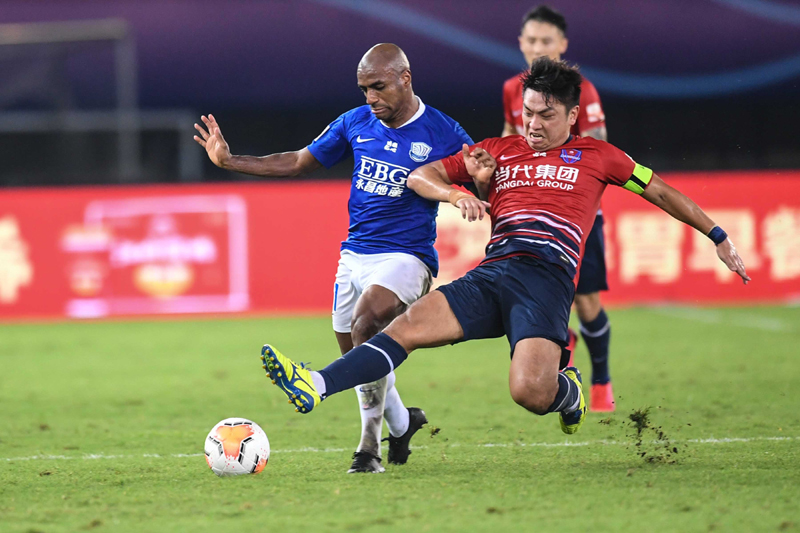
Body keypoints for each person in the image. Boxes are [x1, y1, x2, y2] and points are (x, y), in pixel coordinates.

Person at [260, 58, 749, 439]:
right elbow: (420, 175)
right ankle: (316, 384)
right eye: (527, 113)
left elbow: (659, 190)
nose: (533, 124)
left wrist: (719, 237)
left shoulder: (599, 157)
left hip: (547, 278)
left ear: (572, 116)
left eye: (546, 115)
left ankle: (568, 390)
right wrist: (464, 190)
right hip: (493, 272)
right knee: (404, 327)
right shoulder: (497, 151)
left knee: (529, 393)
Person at [193, 43, 474, 473]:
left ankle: (368, 449)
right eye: (364, 89)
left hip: (408, 256)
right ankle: (402, 423)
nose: (370, 98)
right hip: (355, 254)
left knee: (366, 325)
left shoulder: (444, 133)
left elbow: (488, 175)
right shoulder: (356, 121)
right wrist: (230, 161)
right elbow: (298, 162)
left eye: (378, 87)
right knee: (359, 355)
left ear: (405, 78)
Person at [502, 6, 615, 411]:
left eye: (546, 41)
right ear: (520, 43)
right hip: (529, 219)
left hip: (575, 222)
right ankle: (562, 362)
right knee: (536, 299)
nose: (538, 48)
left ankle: (601, 381)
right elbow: (511, 142)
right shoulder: (514, 89)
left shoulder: (580, 90)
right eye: (531, 41)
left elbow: (600, 148)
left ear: (562, 45)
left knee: (586, 301)